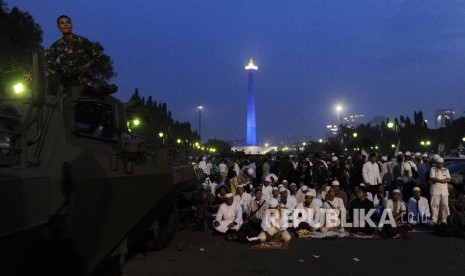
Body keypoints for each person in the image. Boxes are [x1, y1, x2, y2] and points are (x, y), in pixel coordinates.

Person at [45, 15, 104, 93]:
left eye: (68, 22)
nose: (65, 25)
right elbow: (46, 61)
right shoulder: (56, 45)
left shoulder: (82, 41)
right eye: (62, 23)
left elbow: (97, 56)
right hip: (66, 81)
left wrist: (89, 64)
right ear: (58, 27)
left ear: (72, 26)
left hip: (84, 80)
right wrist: (30, 73)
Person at [429, 158, 451, 225]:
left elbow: (449, 179)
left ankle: (444, 220)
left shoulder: (446, 170)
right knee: (434, 205)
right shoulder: (433, 169)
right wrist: (441, 181)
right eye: (439, 163)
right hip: (435, 190)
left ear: (443, 163)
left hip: (444, 191)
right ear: (436, 163)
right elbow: (432, 178)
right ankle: (434, 220)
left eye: (441, 163)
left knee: (445, 205)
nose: (440, 164)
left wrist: (444, 180)